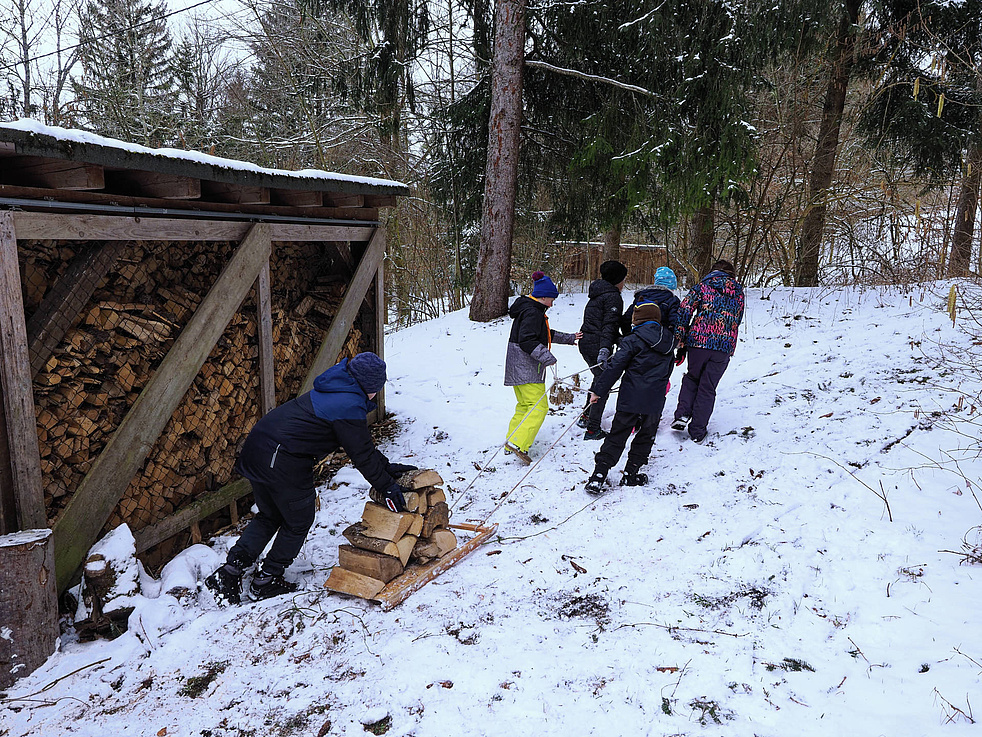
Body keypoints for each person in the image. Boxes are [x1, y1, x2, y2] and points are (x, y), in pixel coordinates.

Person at [204, 352, 417, 605]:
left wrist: (387, 468)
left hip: (261, 450)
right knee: (299, 519)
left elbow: (361, 447)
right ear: (369, 385)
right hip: (281, 460)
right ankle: (267, 579)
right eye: (377, 388)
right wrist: (387, 486)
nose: (376, 394)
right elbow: (360, 455)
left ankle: (230, 572)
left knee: (270, 515)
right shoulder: (347, 404)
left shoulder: (339, 389)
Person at [584, 302, 675, 494]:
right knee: (646, 435)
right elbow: (668, 370)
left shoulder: (632, 340)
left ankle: (599, 474)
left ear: (637, 320)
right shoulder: (668, 342)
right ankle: (631, 473)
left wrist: (598, 391)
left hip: (630, 398)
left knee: (618, 434)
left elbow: (614, 368)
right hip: (655, 399)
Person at [504, 271, 582, 463]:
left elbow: (543, 334)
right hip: (527, 369)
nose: (553, 303)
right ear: (544, 296)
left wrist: (569, 338)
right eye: (552, 299)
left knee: (525, 405)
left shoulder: (530, 309)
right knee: (539, 407)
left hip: (517, 366)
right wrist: (547, 357)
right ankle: (518, 443)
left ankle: (512, 439)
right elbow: (527, 340)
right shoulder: (532, 312)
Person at [671, 259, 745, 443]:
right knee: (708, 386)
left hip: (699, 342)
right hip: (724, 346)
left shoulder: (702, 286)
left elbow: (684, 310)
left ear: (713, 272)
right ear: (731, 274)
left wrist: (679, 335)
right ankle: (698, 430)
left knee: (692, 377)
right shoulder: (739, 292)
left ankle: (682, 415)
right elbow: (738, 318)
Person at [576, 260, 628, 440]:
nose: (624, 283)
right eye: (623, 279)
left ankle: (586, 416)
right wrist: (605, 349)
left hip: (588, 343)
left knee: (599, 379)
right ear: (617, 280)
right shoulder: (612, 296)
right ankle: (592, 429)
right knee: (603, 384)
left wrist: (618, 338)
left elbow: (606, 325)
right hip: (597, 346)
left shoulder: (598, 294)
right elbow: (608, 325)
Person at [622, 266, 682, 334]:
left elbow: (626, 319)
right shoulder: (672, 300)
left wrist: (628, 334)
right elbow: (675, 322)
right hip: (661, 339)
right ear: (671, 287)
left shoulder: (642, 297)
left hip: (639, 337)